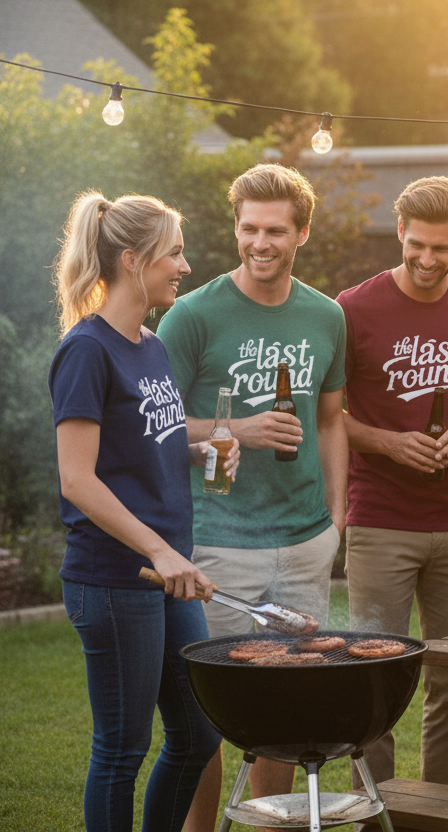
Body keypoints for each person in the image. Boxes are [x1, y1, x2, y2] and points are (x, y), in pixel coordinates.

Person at [157, 163, 348, 828]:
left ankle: (270, 823)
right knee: (205, 714)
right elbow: (154, 430)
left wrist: (337, 518)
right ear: (235, 228)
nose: (259, 243)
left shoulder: (326, 316)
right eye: (248, 228)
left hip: (301, 542)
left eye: (274, 230)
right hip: (216, 539)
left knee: (289, 712)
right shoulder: (192, 315)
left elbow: (331, 420)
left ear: (301, 234)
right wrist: (236, 428)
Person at [49, 192, 238, 831]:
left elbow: (146, 443)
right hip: (114, 577)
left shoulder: (150, 344)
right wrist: (157, 550)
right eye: (174, 253)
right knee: (122, 749)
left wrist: (203, 445)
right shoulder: (88, 350)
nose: (185, 266)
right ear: (132, 260)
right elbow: (77, 479)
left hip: (167, 571)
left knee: (197, 735)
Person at [336, 175, 448, 790]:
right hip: (380, 519)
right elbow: (331, 416)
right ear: (400, 232)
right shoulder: (353, 308)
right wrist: (389, 442)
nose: (428, 260)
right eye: (417, 245)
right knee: (374, 682)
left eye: (443, 248)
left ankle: (438, 815)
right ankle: (374, 815)